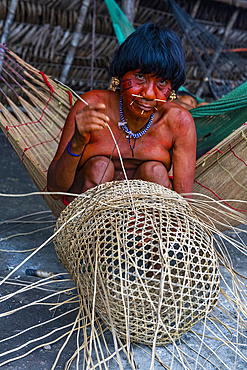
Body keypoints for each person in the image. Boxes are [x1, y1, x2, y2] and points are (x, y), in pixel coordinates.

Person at [47, 23, 197, 204]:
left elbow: (184, 200)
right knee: (100, 168)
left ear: (172, 90)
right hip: (88, 216)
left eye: (162, 82)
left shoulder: (178, 122)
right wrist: (78, 142)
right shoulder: (92, 107)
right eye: (140, 76)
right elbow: (55, 190)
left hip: (147, 220)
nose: (149, 94)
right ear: (120, 75)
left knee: (155, 172)